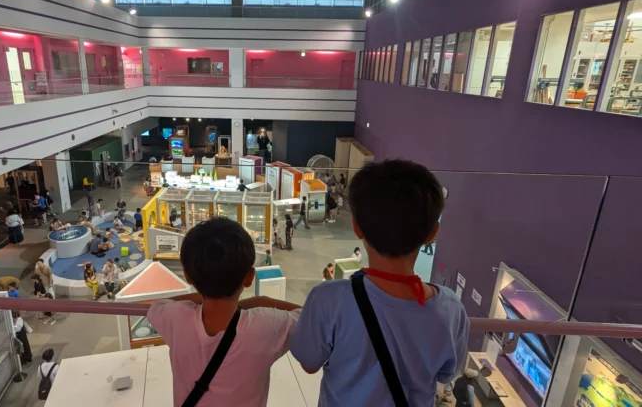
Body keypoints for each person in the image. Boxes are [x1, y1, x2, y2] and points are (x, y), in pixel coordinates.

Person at [289, 159, 469, 407]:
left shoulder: (328, 299)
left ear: (356, 227)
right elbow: (446, 374)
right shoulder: (451, 309)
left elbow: (309, 364)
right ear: (432, 233)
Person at [146, 217, 302, 406]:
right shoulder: (267, 325)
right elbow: (307, 315)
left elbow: (159, 306)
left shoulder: (175, 317)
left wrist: (206, 290)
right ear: (249, 278)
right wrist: (262, 301)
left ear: (187, 276)